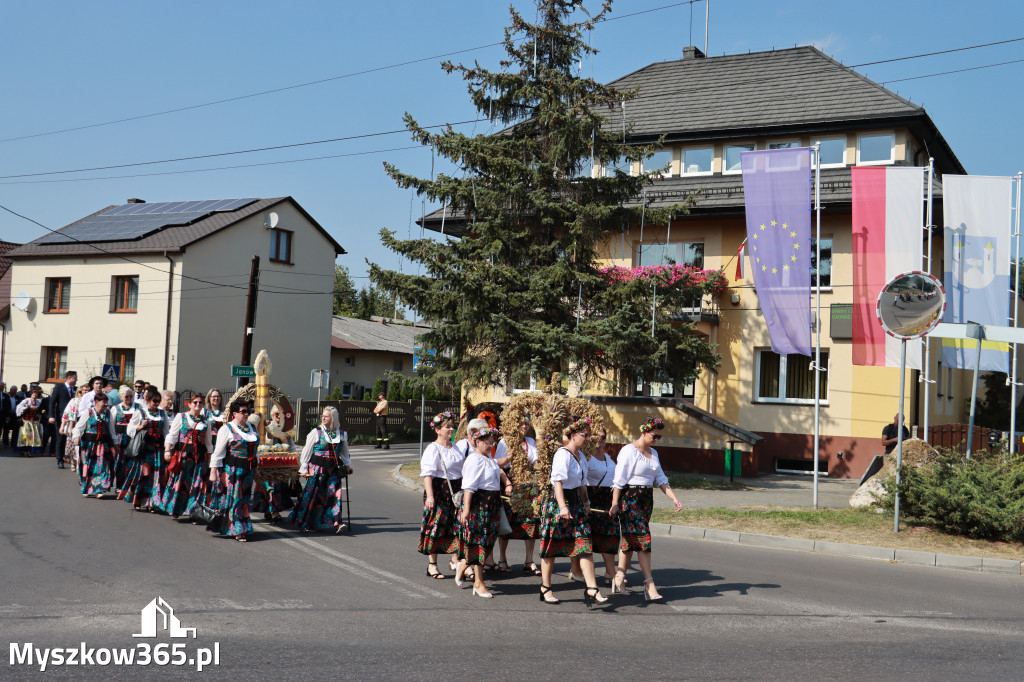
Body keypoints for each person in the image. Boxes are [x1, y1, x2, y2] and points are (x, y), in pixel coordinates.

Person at [610, 417, 684, 602]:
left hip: (646, 501)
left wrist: (674, 499)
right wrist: (615, 503)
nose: (657, 439)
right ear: (644, 432)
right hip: (630, 500)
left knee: (629, 541)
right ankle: (649, 583)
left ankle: (618, 577)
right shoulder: (629, 451)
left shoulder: (654, 454)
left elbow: (660, 479)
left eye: (659, 436)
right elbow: (619, 480)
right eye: (654, 435)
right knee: (643, 540)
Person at [537, 417, 607, 607]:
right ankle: (546, 587)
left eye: (589, 434)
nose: (588, 438)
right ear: (573, 435)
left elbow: (582, 484)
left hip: (576, 503)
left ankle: (592, 588)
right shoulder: (562, 454)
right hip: (559, 504)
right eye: (585, 435)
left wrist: (586, 502)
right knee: (551, 547)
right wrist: (562, 507)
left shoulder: (582, 456)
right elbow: (557, 482)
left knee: (584, 545)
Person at [454, 427, 513, 598]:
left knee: (487, 543)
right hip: (480, 506)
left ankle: (462, 566)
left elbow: (497, 464)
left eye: (492, 442)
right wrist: (466, 510)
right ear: (477, 442)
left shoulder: (488, 458)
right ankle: (479, 584)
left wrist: (509, 457)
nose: (490, 445)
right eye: (487, 442)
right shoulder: (474, 460)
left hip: (492, 506)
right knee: (480, 544)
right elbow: (469, 488)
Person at [291, 406, 353, 533]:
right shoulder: (316, 432)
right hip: (317, 469)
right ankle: (309, 522)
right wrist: (303, 468)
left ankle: (337, 523)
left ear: (333, 418)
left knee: (335, 495)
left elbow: (344, 452)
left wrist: (347, 465)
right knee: (314, 496)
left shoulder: (342, 434)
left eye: (327, 416)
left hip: (333, 469)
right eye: (322, 416)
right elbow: (306, 451)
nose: (323, 418)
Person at [418, 410, 463, 579]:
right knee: (436, 527)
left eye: (452, 426)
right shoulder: (433, 448)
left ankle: (455, 560)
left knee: (457, 526)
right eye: (447, 427)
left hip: (456, 490)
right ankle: (432, 565)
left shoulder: (455, 446)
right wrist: (430, 496)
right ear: (437, 429)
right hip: (440, 490)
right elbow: (427, 474)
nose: (451, 430)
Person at [493, 418, 541, 575]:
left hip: (528, 485)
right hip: (510, 484)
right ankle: (502, 559)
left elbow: (535, 463)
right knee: (507, 521)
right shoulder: (505, 442)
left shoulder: (530, 441)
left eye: (527, 424)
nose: (524, 426)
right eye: (521, 423)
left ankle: (529, 560)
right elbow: (498, 466)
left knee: (531, 521)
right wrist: (507, 483)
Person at [208, 400, 260, 542]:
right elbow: (218, 452)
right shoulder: (227, 429)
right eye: (243, 411)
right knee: (235, 499)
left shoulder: (252, 428)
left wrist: (257, 468)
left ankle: (242, 526)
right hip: (233, 471)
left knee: (244, 500)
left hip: (248, 470)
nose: (246, 414)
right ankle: (237, 529)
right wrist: (213, 471)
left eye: (247, 411)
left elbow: (255, 451)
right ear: (234, 414)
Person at [573, 427, 619, 586]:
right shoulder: (586, 457)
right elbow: (581, 479)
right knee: (584, 536)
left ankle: (610, 571)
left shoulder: (607, 457)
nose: (600, 441)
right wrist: (585, 501)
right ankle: (576, 570)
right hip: (591, 500)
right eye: (597, 438)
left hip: (607, 501)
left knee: (610, 536)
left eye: (603, 438)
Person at [158, 394, 213, 519]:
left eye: (200, 403)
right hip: (183, 457)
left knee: (198, 485)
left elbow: (209, 442)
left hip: (199, 458)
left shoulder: (206, 421)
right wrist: (167, 450)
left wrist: (210, 460)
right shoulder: (181, 417)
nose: (198, 405)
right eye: (195, 402)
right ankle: (176, 508)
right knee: (181, 484)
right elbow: (172, 435)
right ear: (189, 404)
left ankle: (195, 513)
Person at [124, 387, 170, 512]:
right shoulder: (140, 413)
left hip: (157, 449)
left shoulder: (162, 413)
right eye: (154, 401)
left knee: (156, 476)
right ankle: (138, 500)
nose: (156, 404)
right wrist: (140, 426)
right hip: (145, 449)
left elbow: (166, 432)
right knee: (143, 475)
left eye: (158, 401)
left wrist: (167, 448)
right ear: (148, 400)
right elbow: (129, 430)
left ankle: (152, 502)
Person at [72, 393, 118, 498]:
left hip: (103, 445)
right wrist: (76, 437)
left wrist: (115, 443)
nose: (106, 404)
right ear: (97, 401)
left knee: (102, 466)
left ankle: (99, 489)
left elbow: (111, 429)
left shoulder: (108, 413)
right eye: (104, 402)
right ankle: (86, 488)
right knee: (87, 466)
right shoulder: (88, 412)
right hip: (89, 445)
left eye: (107, 402)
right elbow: (79, 427)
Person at [111, 385, 138, 493]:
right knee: (119, 462)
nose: (129, 399)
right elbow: (111, 425)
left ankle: (130, 484)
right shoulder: (116, 408)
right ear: (121, 397)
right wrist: (114, 441)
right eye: (126, 396)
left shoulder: (137, 408)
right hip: (120, 437)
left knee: (131, 462)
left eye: (131, 396)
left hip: (132, 438)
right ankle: (119, 484)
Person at [49, 371, 78, 468]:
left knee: (71, 438)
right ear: (69, 378)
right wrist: (51, 416)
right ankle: (59, 459)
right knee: (60, 439)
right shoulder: (59, 387)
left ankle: (71, 458)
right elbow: (52, 402)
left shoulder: (76, 389)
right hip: (61, 417)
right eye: (75, 378)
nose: (76, 380)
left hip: (73, 418)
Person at [61, 386, 90, 475]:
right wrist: (64, 426)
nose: (84, 392)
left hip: (86, 426)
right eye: (82, 391)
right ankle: (73, 462)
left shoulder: (91, 401)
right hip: (74, 425)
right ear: (79, 392)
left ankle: (79, 464)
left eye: (86, 391)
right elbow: (68, 413)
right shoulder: (75, 401)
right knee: (72, 445)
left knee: (81, 446)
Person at [15, 386, 45, 455]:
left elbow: (40, 410)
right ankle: (23, 450)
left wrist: (42, 411)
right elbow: (18, 407)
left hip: (34, 421)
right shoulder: (27, 401)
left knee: (33, 436)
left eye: (36, 396)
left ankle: (30, 450)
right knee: (25, 435)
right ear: (31, 395)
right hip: (26, 421)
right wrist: (25, 408)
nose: (34, 397)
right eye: (33, 395)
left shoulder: (38, 402)